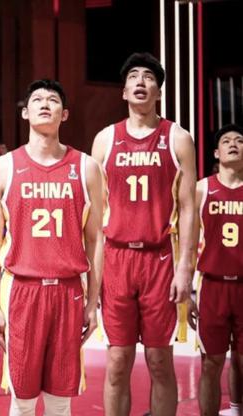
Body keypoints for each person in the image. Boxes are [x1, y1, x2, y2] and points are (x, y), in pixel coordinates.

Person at [0, 79, 103, 415]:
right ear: (25, 113)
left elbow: (95, 240)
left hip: (68, 290)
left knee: (60, 401)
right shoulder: (2, 168)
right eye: (37, 99)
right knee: (21, 399)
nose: (45, 104)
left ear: (64, 114)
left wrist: (93, 303)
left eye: (53, 100)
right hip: (21, 291)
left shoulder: (87, 167)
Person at [91, 52, 197, 416]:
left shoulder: (178, 138)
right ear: (124, 91)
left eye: (148, 77)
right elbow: (94, 214)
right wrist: (93, 272)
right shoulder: (105, 139)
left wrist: (186, 268)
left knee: (159, 360)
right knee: (117, 360)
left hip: (160, 259)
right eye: (133, 76)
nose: (140, 81)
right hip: (116, 259)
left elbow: (188, 208)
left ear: (158, 93)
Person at [191, 124, 243, 416]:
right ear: (215, 152)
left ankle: (236, 408)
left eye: (239, 140)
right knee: (211, 362)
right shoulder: (202, 189)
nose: (233, 144)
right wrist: (187, 291)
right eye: (226, 141)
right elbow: (187, 243)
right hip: (212, 286)